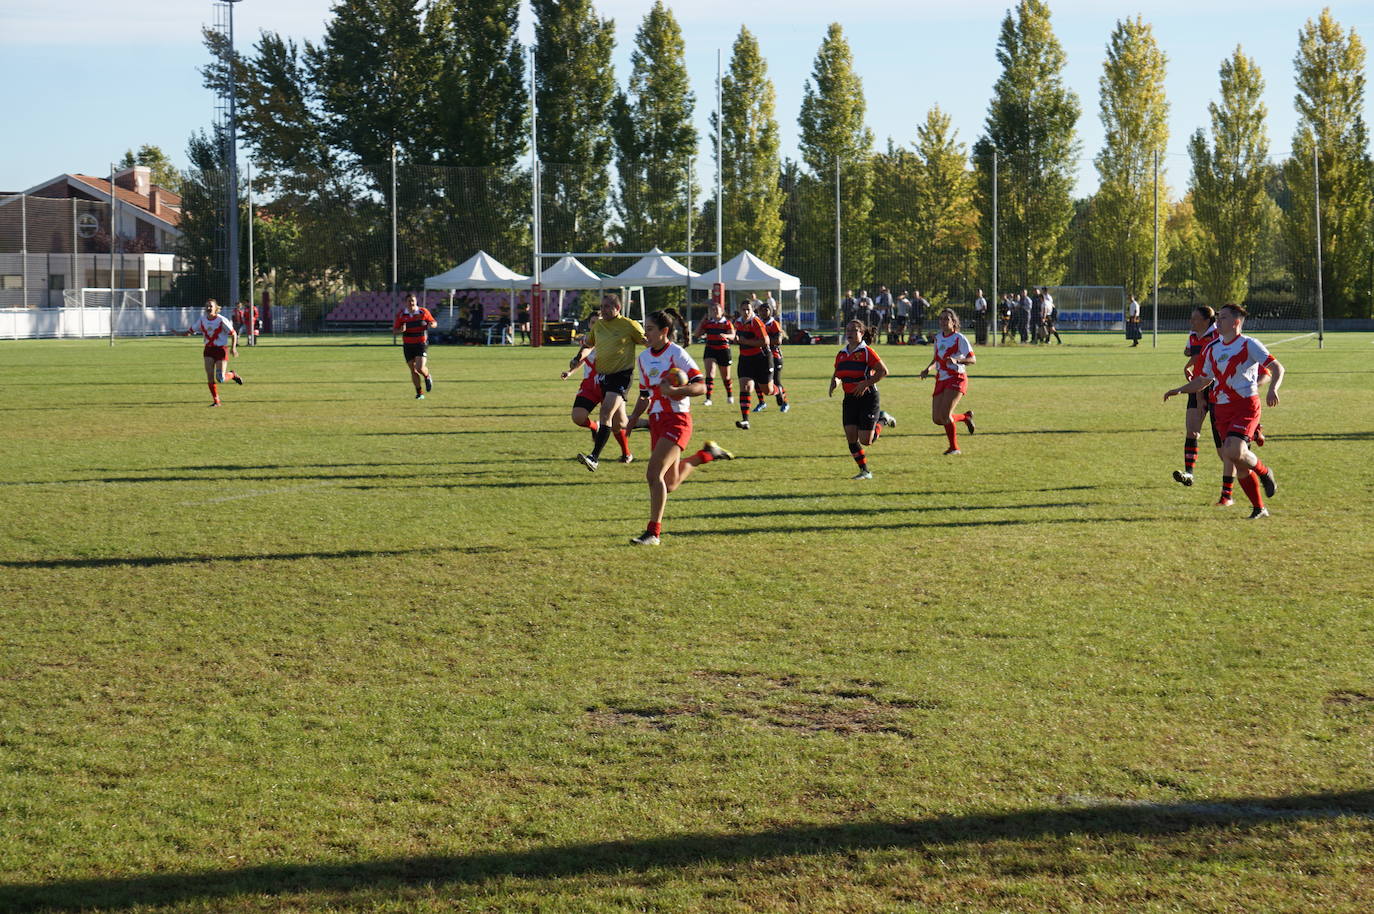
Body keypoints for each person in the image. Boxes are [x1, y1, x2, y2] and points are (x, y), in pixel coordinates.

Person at [625, 308, 734, 545]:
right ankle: (706, 455)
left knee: (653, 474)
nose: (645, 334)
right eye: (645, 329)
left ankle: (653, 533)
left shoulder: (676, 354)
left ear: (664, 331)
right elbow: (645, 394)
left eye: (650, 329)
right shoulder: (643, 358)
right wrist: (633, 419)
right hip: (657, 421)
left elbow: (701, 386)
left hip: (677, 420)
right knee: (669, 483)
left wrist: (676, 390)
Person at [1163, 303, 1283, 519]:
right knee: (1237, 460)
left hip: (1246, 405)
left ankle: (1265, 472)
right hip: (1221, 409)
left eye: (1224, 318)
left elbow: (1277, 368)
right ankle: (1259, 508)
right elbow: (1203, 380)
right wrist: (1180, 389)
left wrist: (1273, 389)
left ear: (1236, 322)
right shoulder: (1212, 348)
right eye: (1218, 317)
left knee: (1233, 451)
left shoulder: (1249, 344)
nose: (1218, 321)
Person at [577, 293, 646, 471]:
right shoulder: (598, 325)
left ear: (618, 308)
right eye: (602, 306)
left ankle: (594, 458)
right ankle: (651, 424)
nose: (603, 310)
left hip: (621, 376)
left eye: (607, 306)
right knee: (619, 423)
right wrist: (578, 357)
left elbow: (648, 343)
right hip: (603, 377)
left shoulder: (629, 325)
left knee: (605, 412)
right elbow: (588, 344)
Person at [562, 316, 635, 464]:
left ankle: (627, 452)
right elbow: (583, 358)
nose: (596, 325)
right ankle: (595, 426)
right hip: (590, 385)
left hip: (611, 384)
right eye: (593, 322)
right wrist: (570, 371)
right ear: (589, 325)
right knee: (578, 417)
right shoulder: (587, 340)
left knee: (619, 424)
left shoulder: (611, 338)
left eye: (599, 321)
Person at [830, 319, 895, 479]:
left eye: (854, 330)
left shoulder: (866, 352)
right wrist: (835, 382)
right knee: (851, 437)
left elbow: (883, 371)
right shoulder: (841, 354)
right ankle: (865, 471)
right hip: (849, 399)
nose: (850, 333)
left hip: (868, 398)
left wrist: (865, 383)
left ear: (862, 333)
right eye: (848, 330)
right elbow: (838, 373)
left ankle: (882, 420)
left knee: (866, 440)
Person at [1172, 305, 1220, 488]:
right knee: (1192, 431)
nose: (1191, 321)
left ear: (1207, 321)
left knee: (1224, 444)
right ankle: (1189, 474)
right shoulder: (1193, 335)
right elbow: (1193, 353)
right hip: (1197, 386)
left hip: (1217, 390)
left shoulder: (1219, 335)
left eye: (1195, 318)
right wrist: (1188, 366)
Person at [920, 308, 977, 455]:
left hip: (956, 378)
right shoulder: (938, 337)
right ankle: (965, 417)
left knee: (945, 415)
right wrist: (928, 369)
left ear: (953, 322)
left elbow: (972, 359)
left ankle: (954, 448)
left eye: (946, 319)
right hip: (941, 379)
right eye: (941, 319)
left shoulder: (959, 338)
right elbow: (936, 359)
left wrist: (957, 360)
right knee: (937, 419)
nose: (943, 321)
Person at [185, 299, 243, 407]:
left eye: (210, 306)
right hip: (208, 350)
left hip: (221, 350)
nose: (208, 308)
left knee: (220, 378)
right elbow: (191, 331)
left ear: (216, 308)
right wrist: (180, 333)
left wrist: (233, 348)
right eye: (207, 306)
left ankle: (232, 374)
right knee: (210, 377)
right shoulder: (202, 320)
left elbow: (233, 334)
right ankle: (216, 401)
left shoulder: (221, 320)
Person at [732, 297, 774, 430]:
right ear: (740, 310)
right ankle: (745, 420)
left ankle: (778, 391)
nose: (745, 312)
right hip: (745, 359)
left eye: (748, 310)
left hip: (762, 359)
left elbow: (765, 341)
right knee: (745, 387)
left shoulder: (756, 322)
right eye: (743, 309)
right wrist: (733, 339)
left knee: (767, 390)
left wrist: (745, 341)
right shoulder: (737, 322)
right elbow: (736, 337)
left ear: (752, 310)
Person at [392, 293, 437, 399]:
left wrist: (432, 325)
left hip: (421, 343)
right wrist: (400, 330)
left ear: (416, 301)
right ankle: (419, 393)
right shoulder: (401, 315)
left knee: (419, 367)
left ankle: (427, 376)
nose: (411, 303)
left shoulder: (423, 312)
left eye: (413, 300)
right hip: (408, 345)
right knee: (413, 369)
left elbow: (434, 322)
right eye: (409, 301)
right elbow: (394, 331)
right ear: (405, 302)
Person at [694, 298, 736, 406]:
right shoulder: (708, 323)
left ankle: (729, 395)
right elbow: (697, 334)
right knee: (710, 373)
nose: (715, 311)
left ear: (722, 311)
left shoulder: (727, 323)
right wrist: (702, 321)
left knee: (725, 377)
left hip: (723, 350)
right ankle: (708, 399)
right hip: (710, 349)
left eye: (717, 309)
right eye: (713, 310)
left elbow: (733, 335)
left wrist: (726, 335)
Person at [757, 301, 791, 413]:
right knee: (757, 381)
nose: (764, 312)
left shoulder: (774, 324)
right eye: (762, 310)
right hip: (761, 356)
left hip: (775, 356)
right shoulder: (757, 323)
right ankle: (761, 402)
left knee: (776, 381)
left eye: (766, 310)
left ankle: (785, 402)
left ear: (771, 311)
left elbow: (778, 340)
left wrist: (763, 341)